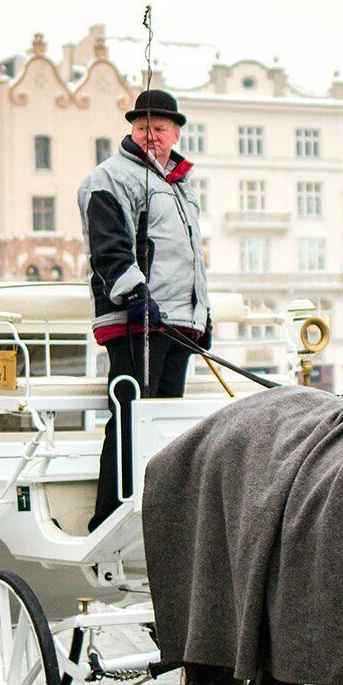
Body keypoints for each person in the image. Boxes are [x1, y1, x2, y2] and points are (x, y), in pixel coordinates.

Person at [79, 87, 212, 531]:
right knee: (132, 413)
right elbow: (109, 246)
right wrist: (134, 294)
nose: (149, 135)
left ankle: (157, 512)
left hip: (175, 323)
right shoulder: (110, 177)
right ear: (131, 132)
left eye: (158, 128)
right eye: (141, 127)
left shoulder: (182, 187)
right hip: (135, 319)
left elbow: (190, 257)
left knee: (166, 420)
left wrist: (201, 316)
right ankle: (112, 513)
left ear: (175, 133)